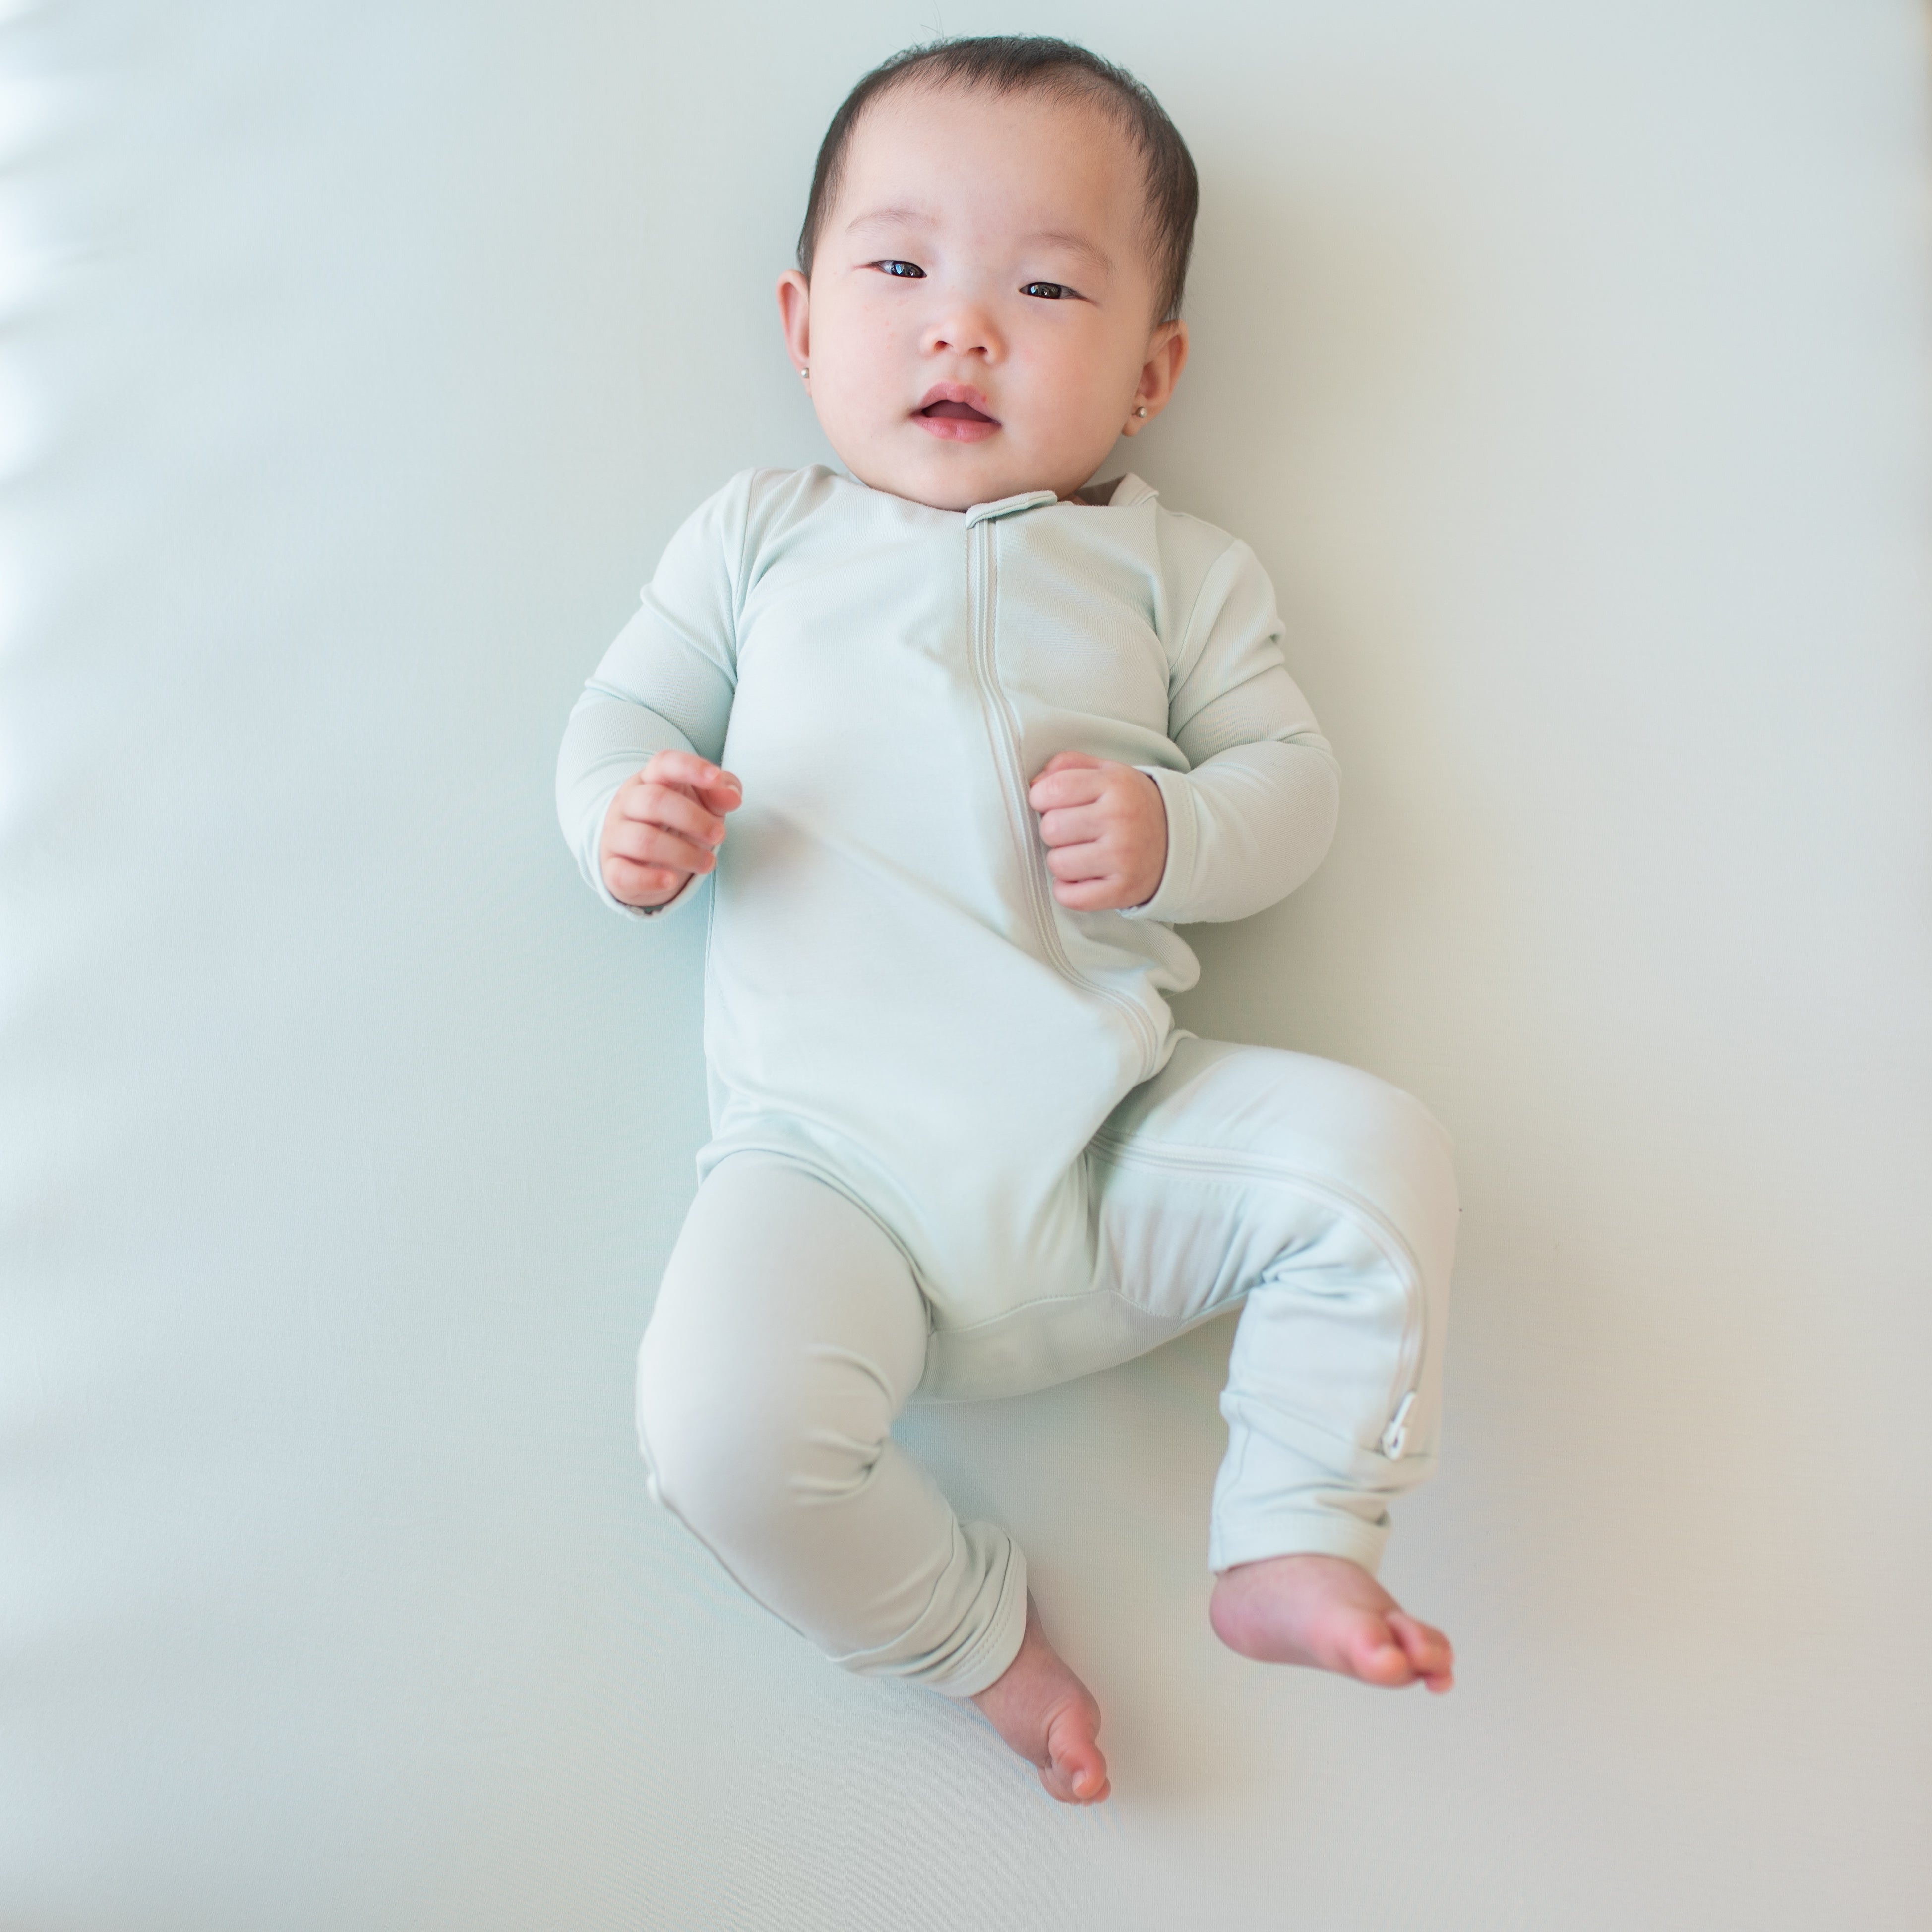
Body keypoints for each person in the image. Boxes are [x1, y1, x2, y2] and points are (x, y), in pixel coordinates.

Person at [555, 35, 1458, 1807]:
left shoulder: (1177, 570)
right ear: (806, 322)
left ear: (1152, 370)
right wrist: (625, 814)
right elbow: (618, 717)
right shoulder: (758, 538)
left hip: (1119, 1138)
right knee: (721, 1437)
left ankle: (1291, 1529)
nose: (961, 327)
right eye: (901, 272)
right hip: (826, 1175)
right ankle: (975, 1642)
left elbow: (1294, 784)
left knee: (1375, 1156)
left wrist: (1177, 830)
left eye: (1044, 288)